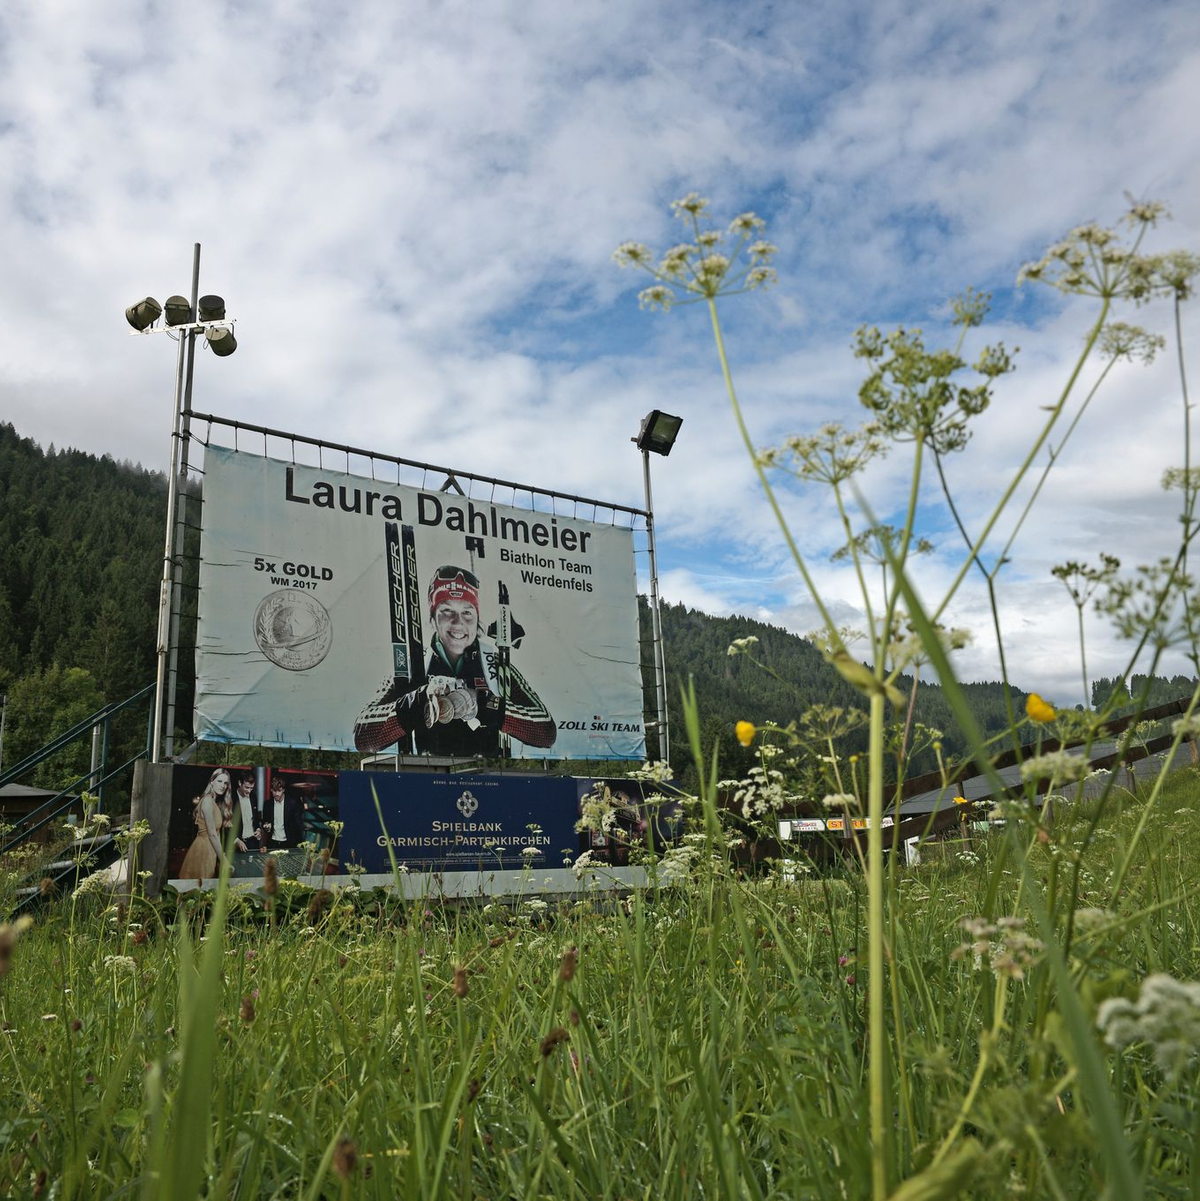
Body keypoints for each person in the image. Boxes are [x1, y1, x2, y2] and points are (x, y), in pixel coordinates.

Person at [354, 565, 556, 757]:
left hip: (490, 773)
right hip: (425, 773)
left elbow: (546, 732)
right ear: (433, 618)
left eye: (467, 612)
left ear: (477, 619)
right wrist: (422, 698)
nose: (458, 623)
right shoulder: (411, 665)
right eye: (447, 610)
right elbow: (363, 738)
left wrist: (483, 703)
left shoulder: (495, 664)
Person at [179, 768, 233, 879]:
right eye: (219, 781)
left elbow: (216, 834)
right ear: (212, 781)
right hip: (203, 850)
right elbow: (212, 834)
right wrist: (224, 861)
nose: (223, 785)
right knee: (200, 890)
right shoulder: (207, 801)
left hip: (210, 850)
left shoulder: (213, 802)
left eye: (225, 783)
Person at [262, 775, 305, 848]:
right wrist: (266, 826)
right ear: (271, 790)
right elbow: (265, 821)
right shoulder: (267, 804)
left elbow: (299, 825)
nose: (277, 794)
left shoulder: (292, 804)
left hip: (288, 843)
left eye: (279, 791)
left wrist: (301, 844)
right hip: (272, 842)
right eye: (274, 791)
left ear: (283, 790)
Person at [230, 774, 263, 851]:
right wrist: (236, 840)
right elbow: (226, 823)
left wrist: (258, 829)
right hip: (237, 843)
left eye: (251, 788)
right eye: (246, 787)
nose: (249, 791)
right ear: (239, 783)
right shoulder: (231, 798)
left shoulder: (253, 796)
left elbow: (255, 819)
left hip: (253, 842)